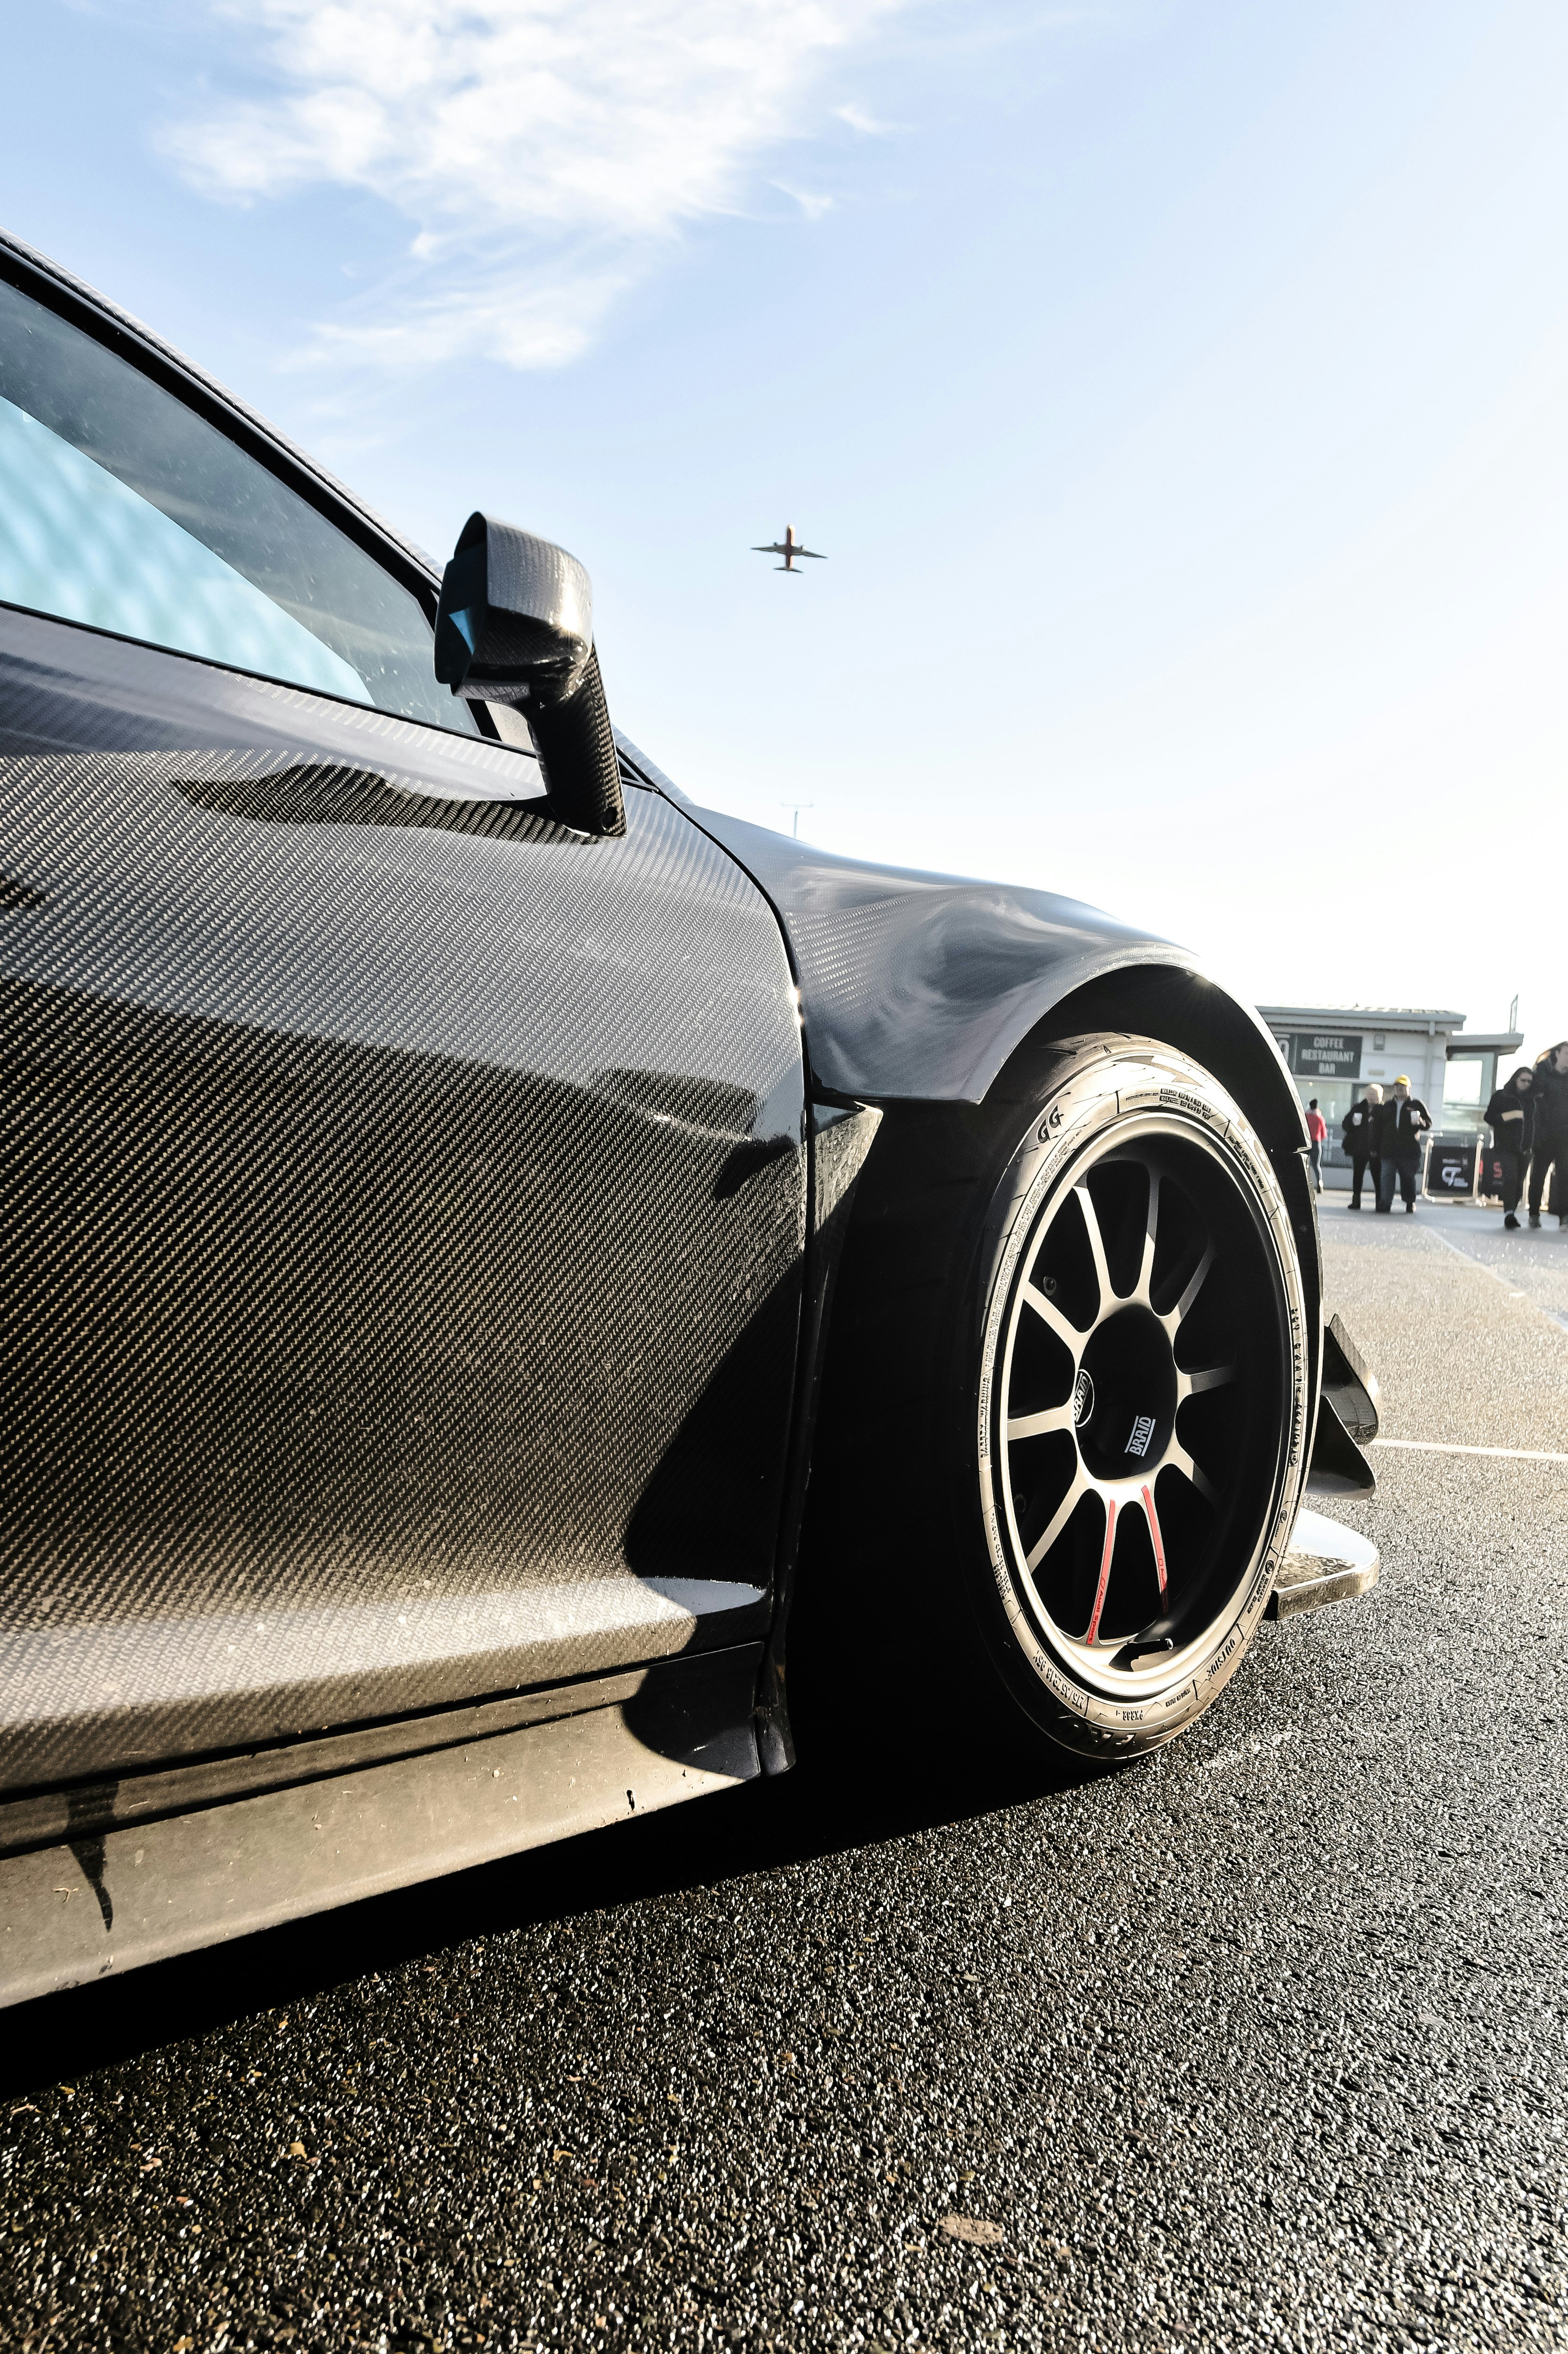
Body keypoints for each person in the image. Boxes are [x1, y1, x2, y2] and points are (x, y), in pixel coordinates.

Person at [1483, 1064, 1535, 1231]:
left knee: (1519, 1181)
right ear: (1516, 1080)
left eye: (1529, 1081)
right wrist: (1509, 1116)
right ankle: (1509, 1213)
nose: (1526, 1084)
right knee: (1510, 1178)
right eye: (1523, 1080)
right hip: (1506, 1146)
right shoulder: (1501, 1096)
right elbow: (1489, 1117)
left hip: (1526, 1148)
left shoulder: (1533, 1101)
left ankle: (1512, 1210)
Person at [1374, 1076, 1431, 1213]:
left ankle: (1410, 1202)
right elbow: (1379, 1128)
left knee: (1408, 1177)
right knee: (1387, 1177)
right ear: (1394, 1089)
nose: (1400, 1089)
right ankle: (1386, 1203)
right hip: (1389, 1150)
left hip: (1409, 1150)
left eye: (1403, 1087)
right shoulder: (1388, 1106)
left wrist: (1420, 1121)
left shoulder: (1416, 1104)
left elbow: (1428, 1124)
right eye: (1397, 1087)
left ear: (1409, 1089)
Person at [1526, 1039, 1568, 1228]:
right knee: (1538, 1176)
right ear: (1557, 1054)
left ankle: (1565, 1216)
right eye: (1567, 1053)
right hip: (1544, 1135)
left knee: (1565, 1177)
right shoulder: (1542, 1073)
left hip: (1565, 1137)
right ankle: (1534, 1213)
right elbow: (1535, 1103)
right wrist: (1538, 1133)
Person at [1341, 1083, 1382, 1210]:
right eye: (1369, 1094)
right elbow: (1345, 1125)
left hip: (1377, 1149)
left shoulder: (1383, 1110)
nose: (1371, 1097)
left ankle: (1380, 1202)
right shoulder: (1358, 1108)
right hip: (1360, 1148)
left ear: (1380, 1097)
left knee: (1378, 1176)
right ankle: (1356, 1200)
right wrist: (1353, 1123)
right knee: (1358, 1175)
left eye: (1374, 1095)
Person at [1305, 1098, 1326, 1195]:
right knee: (1317, 1165)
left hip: (1306, 1142)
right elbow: (1324, 1134)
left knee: (1305, 1164)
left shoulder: (1305, 1116)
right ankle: (1320, 1184)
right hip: (1316, 1143)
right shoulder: (1320, 1118)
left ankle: (1306, 1184)